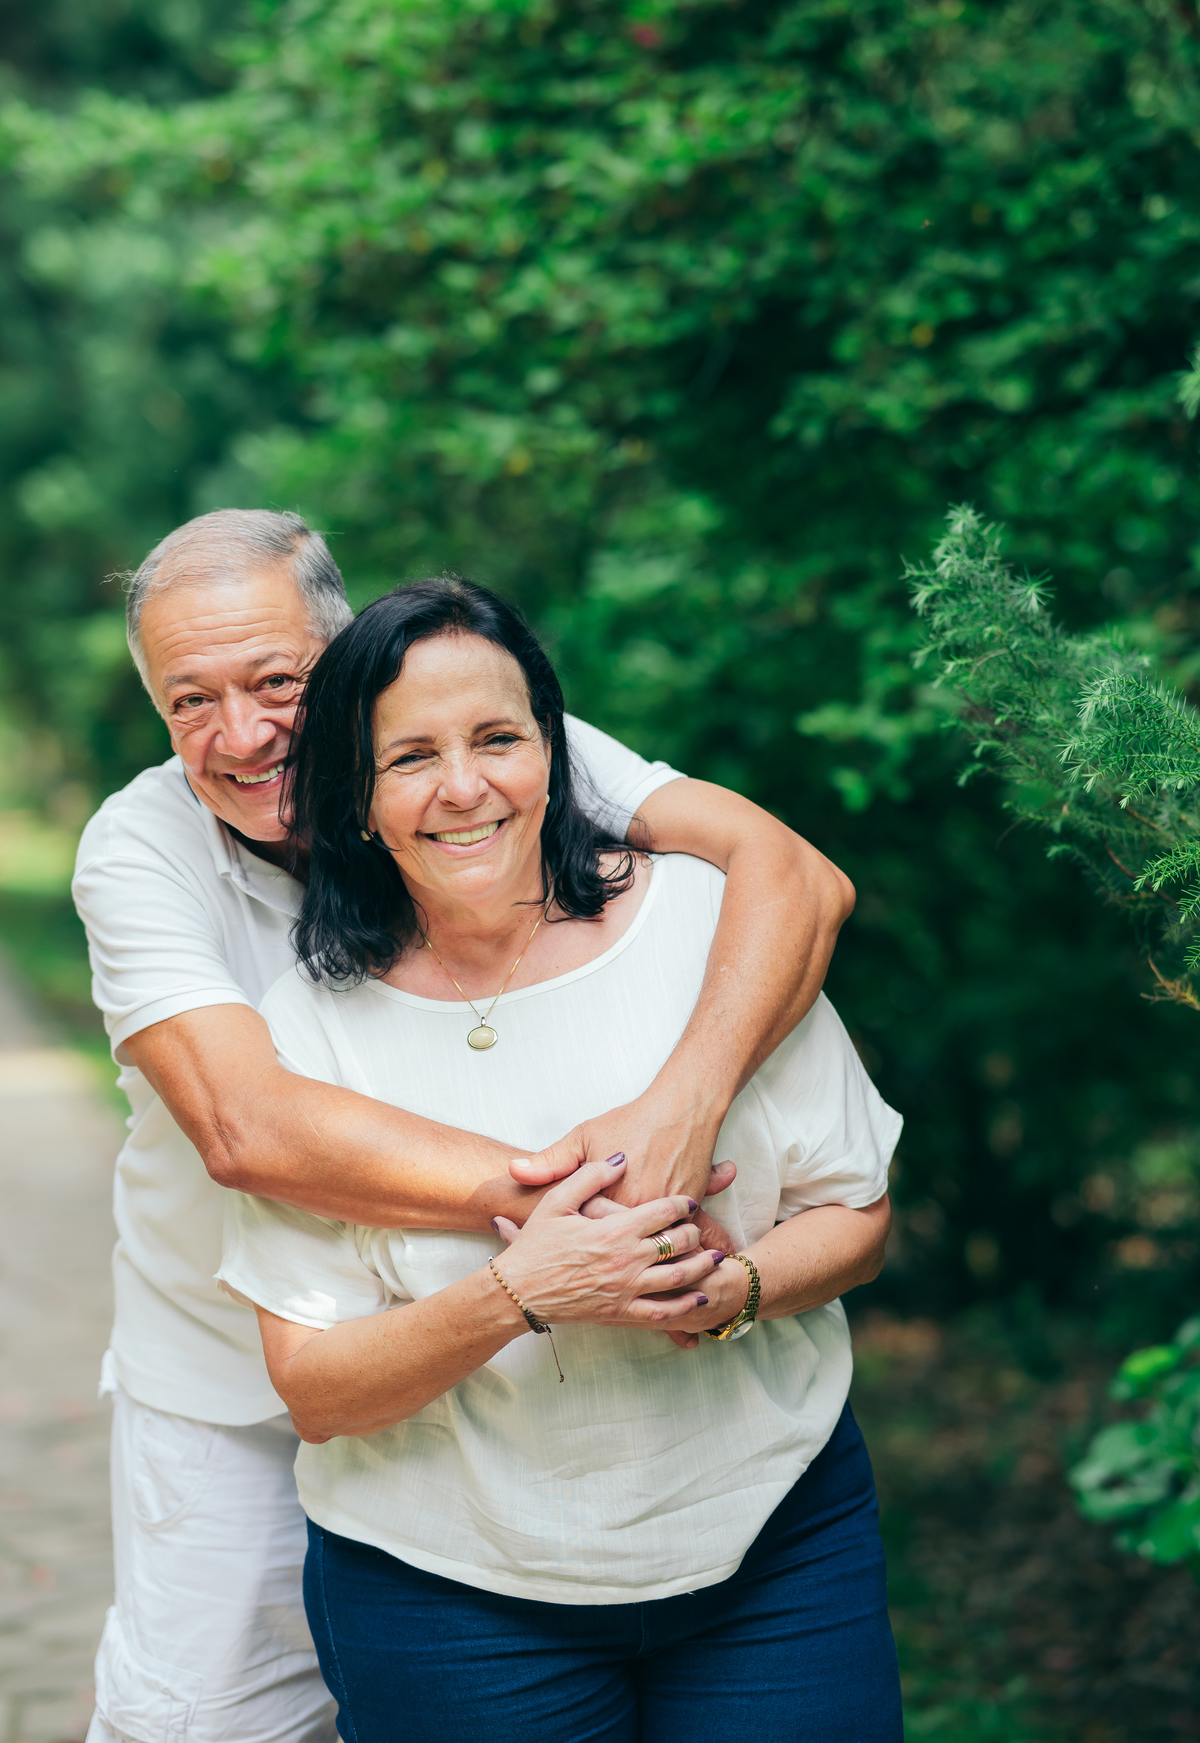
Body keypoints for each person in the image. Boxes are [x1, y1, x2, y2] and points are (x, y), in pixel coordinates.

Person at [72, 510, 856, 1743]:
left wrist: (682, 1102)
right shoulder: (138, 846)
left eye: (278, 682)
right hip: (235, 1378)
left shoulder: (475, 744)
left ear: (344, 652)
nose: (243, 735)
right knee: (208, 1725)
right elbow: (250, 1127)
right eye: (190, 702)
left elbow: (795, 879)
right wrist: (610, 1207)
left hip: (514, 1404)